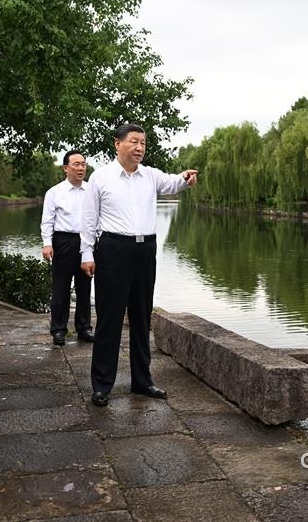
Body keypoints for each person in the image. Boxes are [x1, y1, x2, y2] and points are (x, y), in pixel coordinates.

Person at [80, 124, 197, 407]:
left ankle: (142, 380)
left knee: (142, 316)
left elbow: (172, 183)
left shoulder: (150, 175)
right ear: (117, 144)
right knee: (109, 317)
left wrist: (184, 177)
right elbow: (88, 219)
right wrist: (87, 253)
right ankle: (102, 384)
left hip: (145, 250)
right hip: (113, 249)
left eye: (143, 142)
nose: (139, 147)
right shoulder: (101, 178)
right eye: (134, 141)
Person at [41, 150, 94, 346]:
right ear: (65, 168)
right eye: (76, 164)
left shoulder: (91, 191)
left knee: (84, 288)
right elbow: (47, 221)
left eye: (83, 164)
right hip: (63, 242)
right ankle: (58, 329)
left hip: (87, 243)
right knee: (61, 288)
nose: (81, 168)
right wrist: (47, 243)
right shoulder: (54, 192)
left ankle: (84, 328)